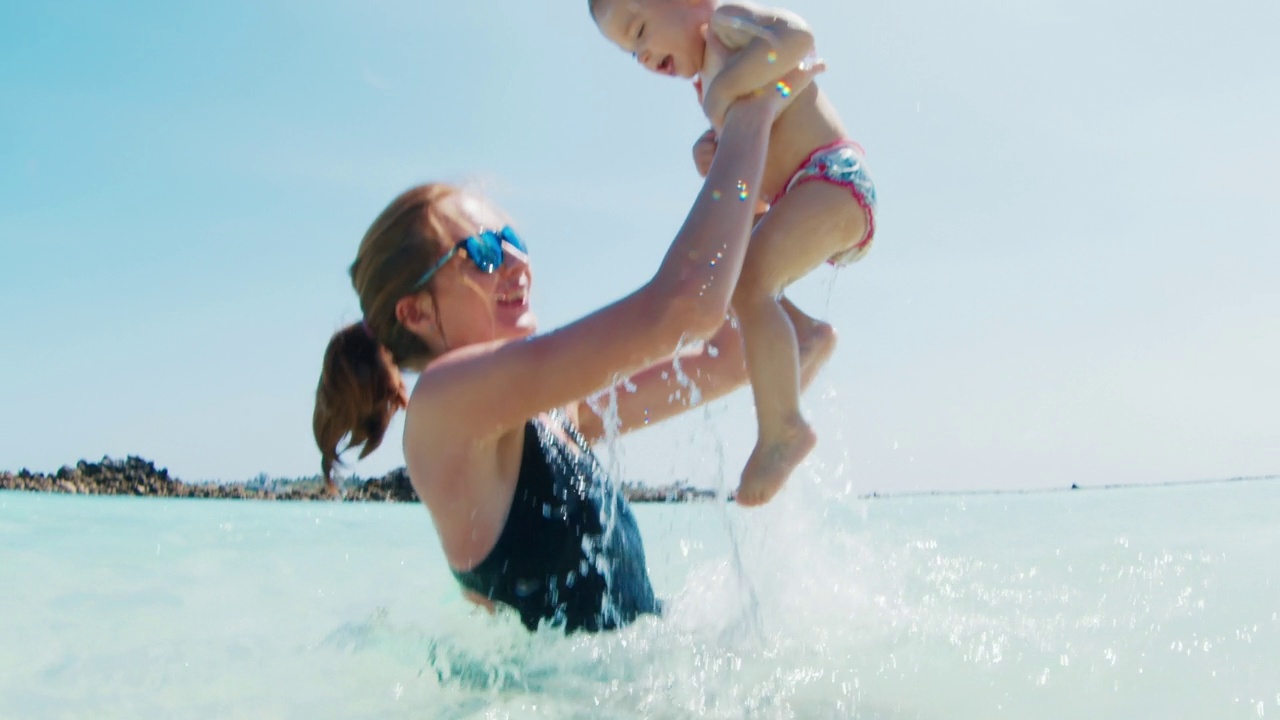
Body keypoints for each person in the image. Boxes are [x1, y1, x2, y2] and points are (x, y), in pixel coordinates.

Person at [311, 62, 832, 633]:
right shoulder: (443, 408)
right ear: (415, 312)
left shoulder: (560, 416)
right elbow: (682, 309)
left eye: (513, 240)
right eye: (483, 251)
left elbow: (735, 358)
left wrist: (754, 197)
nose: (516, 262)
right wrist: (751, 120)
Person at [589, 0, 879, 506]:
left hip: (832, 178)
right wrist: (716, 151)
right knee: (728, 278)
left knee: (748, 284)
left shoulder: (726, 23)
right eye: (628, 51)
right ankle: (803, 334)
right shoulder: (710, 80)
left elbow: (797, 37)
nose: (641, 55)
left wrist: (723, 94)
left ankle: (783, 430)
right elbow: (755, 174)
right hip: (800, 192)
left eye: (639, 31)